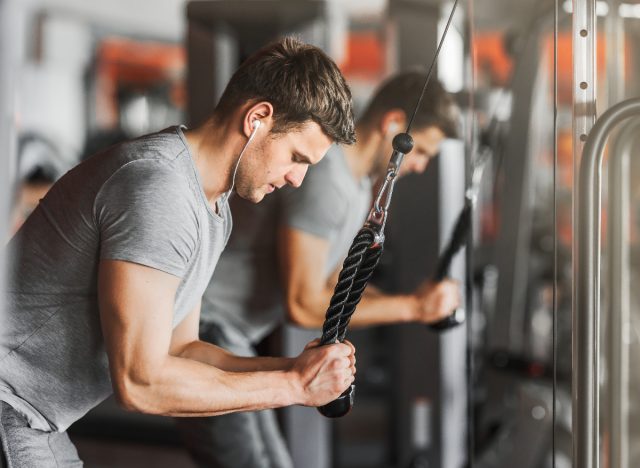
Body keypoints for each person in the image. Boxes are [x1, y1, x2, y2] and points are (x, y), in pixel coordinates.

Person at [0, 37, 358, 467]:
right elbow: (142, 382)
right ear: (258, 118)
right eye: (296, 157)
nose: (297, 179)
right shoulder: (160, 190)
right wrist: (294, 389)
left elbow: (183, 348)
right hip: (10, 405)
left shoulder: (212, 208)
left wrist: (294, 368)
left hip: (37, 417)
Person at [177, 72, 461, 468]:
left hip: (233, 336)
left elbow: (332, 283)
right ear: (394, 123)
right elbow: (303, 302)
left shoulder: (359, 186)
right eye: (423, 151)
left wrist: (415, 299)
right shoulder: (326, 180)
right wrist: (414, 309)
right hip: (205, 329)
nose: (422, 166)